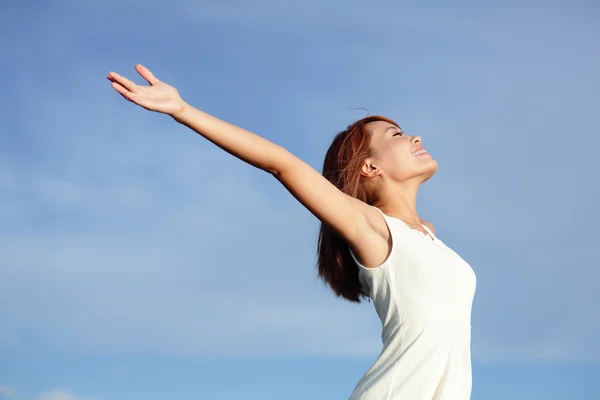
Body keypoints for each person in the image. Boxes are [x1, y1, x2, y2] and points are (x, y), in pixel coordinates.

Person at [107, 64, 477, 400]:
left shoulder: (427, 238)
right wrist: (183, 110)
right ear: (368, 166)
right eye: (396, 134)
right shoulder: (373, 229)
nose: (415, 137)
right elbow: (282, 164)